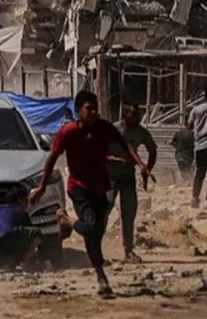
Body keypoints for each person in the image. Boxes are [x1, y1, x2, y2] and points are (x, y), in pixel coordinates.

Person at [30, 90, 151, 298]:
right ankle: (66, 220)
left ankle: (101, 276)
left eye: (96, 108)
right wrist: (42, 186)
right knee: (89, 225)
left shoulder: (104, 128)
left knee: (95, 231)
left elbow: (125, 144)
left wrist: (140, 164)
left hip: (100, 188)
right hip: (79, 188)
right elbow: (52, 158)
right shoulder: (68, 132)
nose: (94, 112)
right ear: (78, 111)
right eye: (89, 109)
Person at [107, 103, 157, 263]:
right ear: (125, 115)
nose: (138, 117)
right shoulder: (113, 130)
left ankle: (128, 251)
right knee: (104, 212)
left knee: (128, 214)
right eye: (134, 114)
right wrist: (110, 159)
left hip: (128, 176)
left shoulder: (141, 132)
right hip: (110, 177)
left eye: (139, 114)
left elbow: (153, 150)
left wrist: (146, 170)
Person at [0, 188, 42, 269]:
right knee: (37, 232)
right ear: (20, 200)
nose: (27, 203)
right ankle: (24, 261)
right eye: (26, 200)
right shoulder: (20, 211)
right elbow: (29, 230)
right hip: (6, 238)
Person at [170, 116, 195, 184]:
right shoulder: (193, 134)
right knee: (187, 170)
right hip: (188, 156)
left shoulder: (178, 133)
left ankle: (186, 182)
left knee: (183, 170)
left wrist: (177, 146)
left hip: (179, 155)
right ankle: (189, 182)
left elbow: (171, 142)